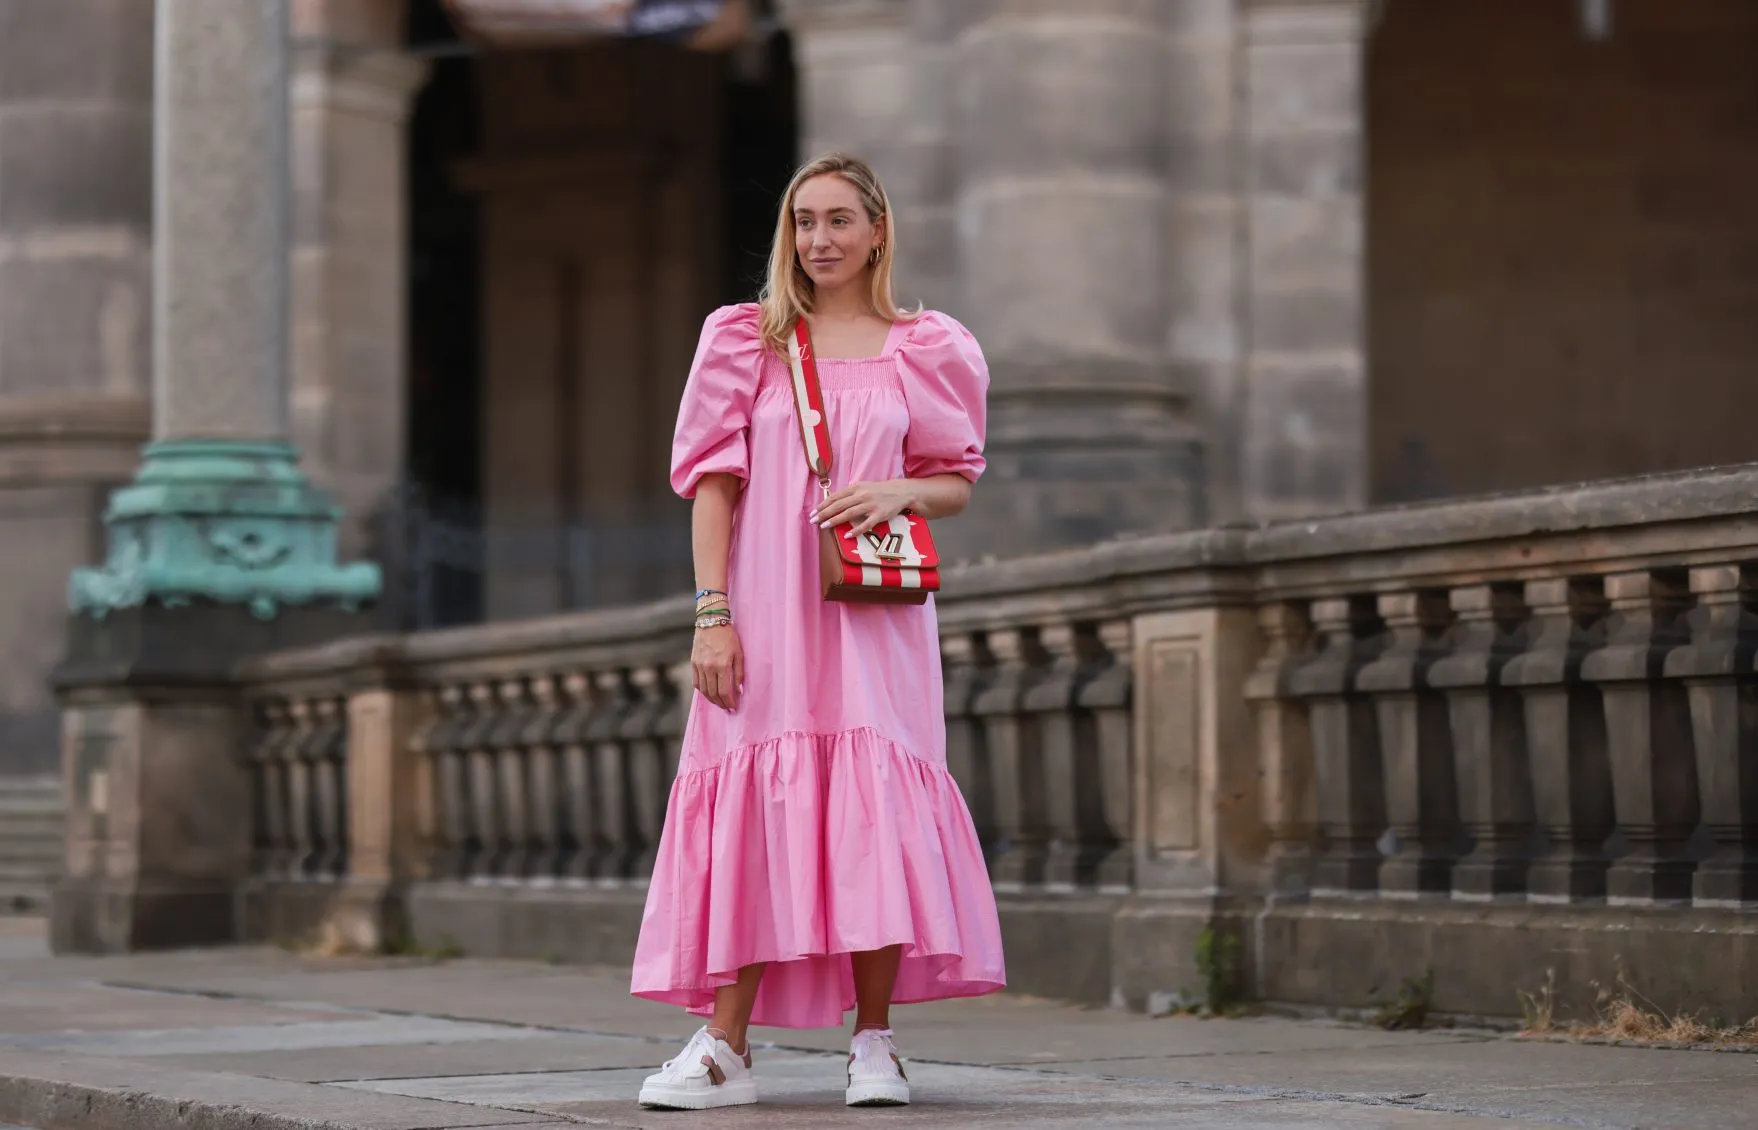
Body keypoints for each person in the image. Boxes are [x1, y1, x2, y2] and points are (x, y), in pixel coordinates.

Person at [629, 152, 1005, 1111]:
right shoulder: (744, 341)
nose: (819, 240)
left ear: (878, 231)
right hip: (763, 610)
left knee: (874, 800)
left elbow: (956, 480)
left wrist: (898, 489)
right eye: (804, 221)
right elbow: (713, 490)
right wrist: (712, 614)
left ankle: (874, 1044)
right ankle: (724, 1046)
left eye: (839, 220)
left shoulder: (927, 346)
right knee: (756, 802)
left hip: (872, 616)